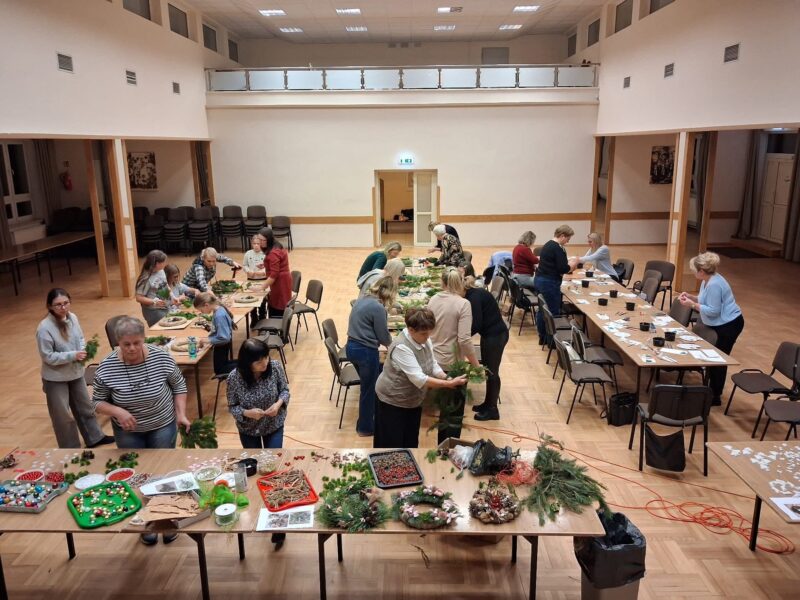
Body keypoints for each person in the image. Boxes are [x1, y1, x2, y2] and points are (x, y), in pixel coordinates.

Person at [92, 316, 190, 546]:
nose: (132, 348)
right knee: (137, 478)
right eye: (126, 344)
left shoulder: (161, 357)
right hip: (128, 432)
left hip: (162, 425)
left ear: (144, 339)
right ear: (117, 343)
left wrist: (181, 414)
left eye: (137, 342)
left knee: (162, 475)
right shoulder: (107, 367)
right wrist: (117, 411)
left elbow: (179, 385)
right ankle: (144, 523)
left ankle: (167, 521)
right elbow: (96, 402)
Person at [226, 337, 290, 548]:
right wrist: (246, 413)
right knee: (254, 472)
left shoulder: (275, 367)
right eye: (259, 361)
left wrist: (278, 405)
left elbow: (285, 391)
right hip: (248, 429)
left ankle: (277, 523)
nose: (265, 363)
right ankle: (256, 509)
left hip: (273, 424)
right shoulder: (234, 378)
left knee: (272, 470)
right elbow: (232, 406)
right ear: (247, 362)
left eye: (266, 358)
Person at [374, 308, 467, 448]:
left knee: (410, 440)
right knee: (392, 444)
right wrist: (447, 384)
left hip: (413, 401)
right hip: (392, 402)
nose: (428, 337)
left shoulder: (424, 340)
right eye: (424, 333)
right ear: (411, 330)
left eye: (429, 332)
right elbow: (419, 378)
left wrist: (445, 377)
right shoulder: (401, 348)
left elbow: (432, 363)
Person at [35, 288, 113, 449]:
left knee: (85, 407)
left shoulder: (73, 318)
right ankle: (70, 448)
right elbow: (47, 356)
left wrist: (82, 350)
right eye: (58, 305)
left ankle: (95, 437)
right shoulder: (44, 328)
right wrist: (73, 355)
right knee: (62, 417)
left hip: (75, 372)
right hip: (55, 378)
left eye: (66, 303)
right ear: (49, 306)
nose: (63, 307)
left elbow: (80, 338)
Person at [679, 252, 745, 406]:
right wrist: (692, 297)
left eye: (694, 270)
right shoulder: (707, 280)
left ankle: (715, 396)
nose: (693, 272)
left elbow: (713, 311)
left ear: (702, 271)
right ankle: (709, 391)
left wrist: (692, 305)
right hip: (720, 322)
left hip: (729, 324)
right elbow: (705, 300)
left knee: (718, 360)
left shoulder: (715, 284)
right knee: (713, 358)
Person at [427, 268, 480, 443]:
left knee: (444, 409)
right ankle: (448, 448)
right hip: (452, 364)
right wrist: (476, 365)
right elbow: (464, 339)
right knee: (452, 414)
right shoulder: (463, 304)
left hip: (433, 359)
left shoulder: (433, 299)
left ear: (442, 282)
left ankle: (442, 446)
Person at [345, 276, 395, 437]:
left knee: (374, 381)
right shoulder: (377, 307)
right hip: (365, 352)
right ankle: (365, 428)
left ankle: (369, 419)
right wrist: (395, 346)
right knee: (369, 390)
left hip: (351, 347)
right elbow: (383, 337)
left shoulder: (362, 299)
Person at [464, 273, 509, 421]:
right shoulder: (473, 294)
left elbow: (476, 324)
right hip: (489, 334)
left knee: (492, 372)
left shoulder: (474, 298)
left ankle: (492, 410)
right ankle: (487, 403)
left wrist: (462, 337)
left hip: (496, 335)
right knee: (488, 370)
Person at [534, 225, 578, 345]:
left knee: (543, 310)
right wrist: (572, 265)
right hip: (549, 283)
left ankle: (543, 337)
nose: (568, 241)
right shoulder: (557, 248)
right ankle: (552, 341)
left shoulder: (548, 244)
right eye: (568, 238)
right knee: (552, 311)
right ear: (562, 236)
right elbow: (562, 268)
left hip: (540, 280)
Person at [193, 292, 238, 375]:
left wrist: (208, 340)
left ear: (206, 305)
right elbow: (220, 329)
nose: (202, 312)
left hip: (222, 344)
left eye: (201, 310)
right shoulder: (219, 309)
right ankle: (245, 363)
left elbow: (224, 338)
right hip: (223, 344)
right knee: (223, 364)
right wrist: (209, 329)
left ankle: (246, 366)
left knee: (220, 370)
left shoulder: (219, 315)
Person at [258, 227, 293, 318]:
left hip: (280, 281)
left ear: (269, 239)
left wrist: (261, 287)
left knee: (279, 302)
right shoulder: (276, 245)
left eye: (262, 240)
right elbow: (277, 263)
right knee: (278, 300)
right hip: (282, 278)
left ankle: (278, 323)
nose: (260, 242)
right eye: (259, 239)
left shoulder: (273, 253)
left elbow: (274, 274)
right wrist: (265, 265)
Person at [134, 250, 169, 326]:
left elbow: (165, 285)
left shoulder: (161, 271)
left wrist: (173, 297)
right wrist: (154, 302)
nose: (165, 263)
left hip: (165, 307)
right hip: (153, 311)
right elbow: (138, 298)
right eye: (163, 262)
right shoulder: (145, 278)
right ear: (157, 264)